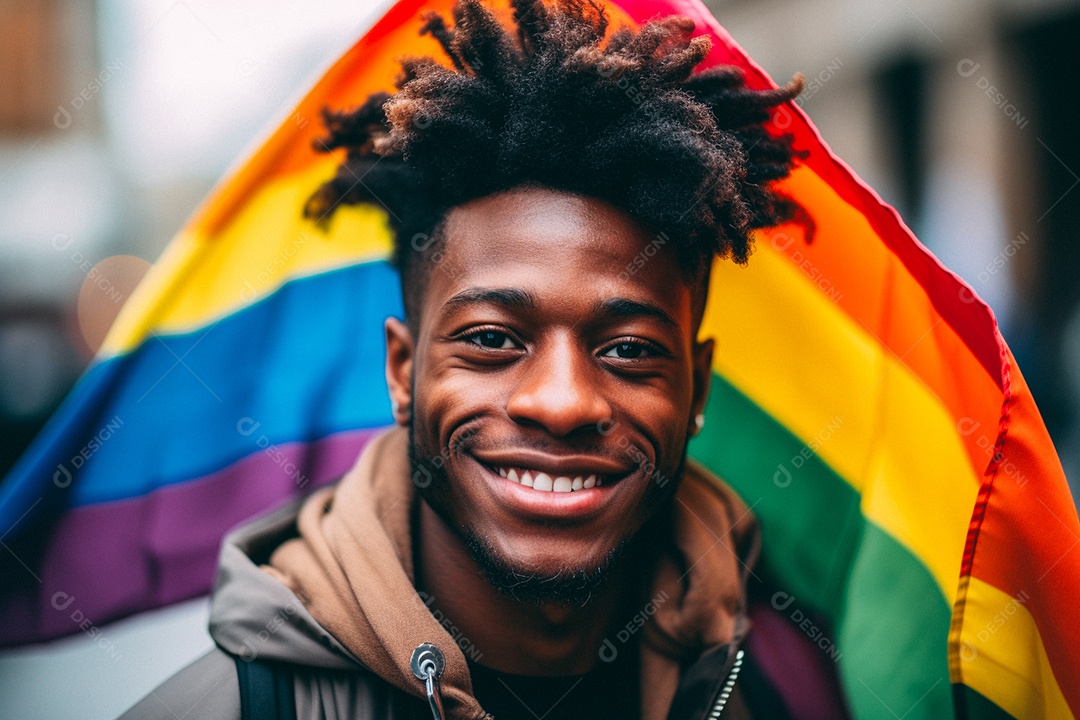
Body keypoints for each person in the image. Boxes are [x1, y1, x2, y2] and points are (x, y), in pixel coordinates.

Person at [120, 0, 804, 717]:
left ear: (696, 390)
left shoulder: (791, 684)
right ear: (401, 371)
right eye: (491, 339)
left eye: (628, 350)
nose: (562, 402)